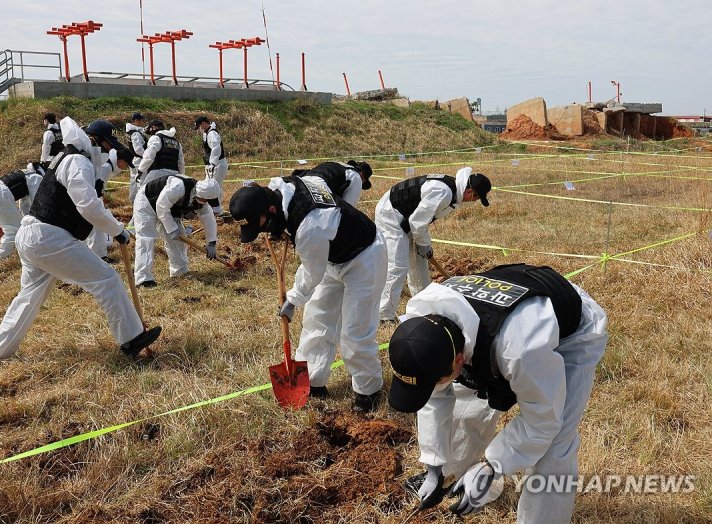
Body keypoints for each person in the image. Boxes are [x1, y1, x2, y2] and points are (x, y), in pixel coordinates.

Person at [387, 263, 608, 522]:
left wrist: (492, 466)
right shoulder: (424, 324)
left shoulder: (520, 350)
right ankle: (452, 476)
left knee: (555, 443)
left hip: (572, 331)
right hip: (507, 320)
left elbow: (543, 422)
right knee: (466, 409)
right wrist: (434, 465)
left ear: (459, 360)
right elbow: (434, 394)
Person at [0, 118, 161, 370]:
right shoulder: (77, 161)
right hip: (50, 238)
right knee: (107, 280)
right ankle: (131, 339)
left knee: (29, 297)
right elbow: (88, 206)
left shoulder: (69, 157)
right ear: (96, 142)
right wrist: (118, 231)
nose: (108, 152)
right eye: (108, 146)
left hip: (33, 236)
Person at [229, 176, 388, 412]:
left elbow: (313, 273)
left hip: (365, 256)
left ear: (271, 210)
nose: (262, 231)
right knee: (317, 319)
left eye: (260, 225)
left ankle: (369, 391)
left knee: (355, 332)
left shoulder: (309, 226)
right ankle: (313, 380)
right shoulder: (282, 188)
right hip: (332, 255)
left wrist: (293, 299)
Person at [375, 167, 492, 322]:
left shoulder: (452, 192)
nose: (472, 202)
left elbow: (421, 220)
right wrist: (423, 244)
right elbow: (417, 222)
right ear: (471, 192)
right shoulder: (443, 192)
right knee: (398, 265)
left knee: (419, 264)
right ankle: (384, 315)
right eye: (476, 198)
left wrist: (425, 245)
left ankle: (423, 306)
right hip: (391, 214)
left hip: (408, 218)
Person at [133, 175, 221, 287]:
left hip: (169, 211)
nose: (207, 203)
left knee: (179, 241)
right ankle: (143, 279)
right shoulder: (178, 187)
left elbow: (208, 218)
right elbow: (161, 206)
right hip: (147, 202)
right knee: (147, 238)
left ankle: (180, 272)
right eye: (206, 200)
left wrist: (211, 242)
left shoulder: (202, 199)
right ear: (200, 195)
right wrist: (172, 229)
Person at [0, 161, 45, 260]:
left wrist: (26, 218)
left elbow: (25, 203)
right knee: (13, 230)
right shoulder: (37, 178)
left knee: (12, 228)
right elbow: (37, 203)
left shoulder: (27, 174)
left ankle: (18, 252)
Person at [87, 147, 136, 261]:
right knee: (96, 226)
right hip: (89, 199)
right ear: (121, 161)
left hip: (91, 197)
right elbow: (97, 187)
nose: (126, 168)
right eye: (127, 165)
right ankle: (98, 257)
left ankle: (99, 255)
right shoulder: (106, 167)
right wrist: (101, 205)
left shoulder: (108, 165)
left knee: (96, 227)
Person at [291, 160, 373, 206]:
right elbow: (348, 207)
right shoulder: (357, 177)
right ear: (362, 174)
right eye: (364, 182)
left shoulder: (337, 164)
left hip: (300, 181)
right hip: (319, 188)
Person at [136, 119, 185, 193]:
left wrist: (140, 170)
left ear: (153, 128)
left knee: (143, 194)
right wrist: (180, 176)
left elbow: (149, 156)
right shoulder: (177, 142)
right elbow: (181, 163)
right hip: (174, 174)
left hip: (158, 173)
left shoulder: (156, 138)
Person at [194, 115, 228, 215]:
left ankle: (217, 210)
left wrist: (212, 163)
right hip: (213, 165)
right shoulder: (207, 133)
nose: (199, 129)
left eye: (199, 126)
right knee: (211, 186)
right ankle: (214, 208)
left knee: (215, 186)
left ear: (204, 124)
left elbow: (216, 148)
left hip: (217, 165)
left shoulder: (212, 133)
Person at [125, 112, 147, 202]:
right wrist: (147, 155)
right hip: (138, 159)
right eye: (142, 120)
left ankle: (133, 199)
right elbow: (138, 149)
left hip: (135, 158)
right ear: (137, 121)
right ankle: (136, 199)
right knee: (139, 179)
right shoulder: (136, 133)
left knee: (134, 179)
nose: (143, 122)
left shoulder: (130, 131)